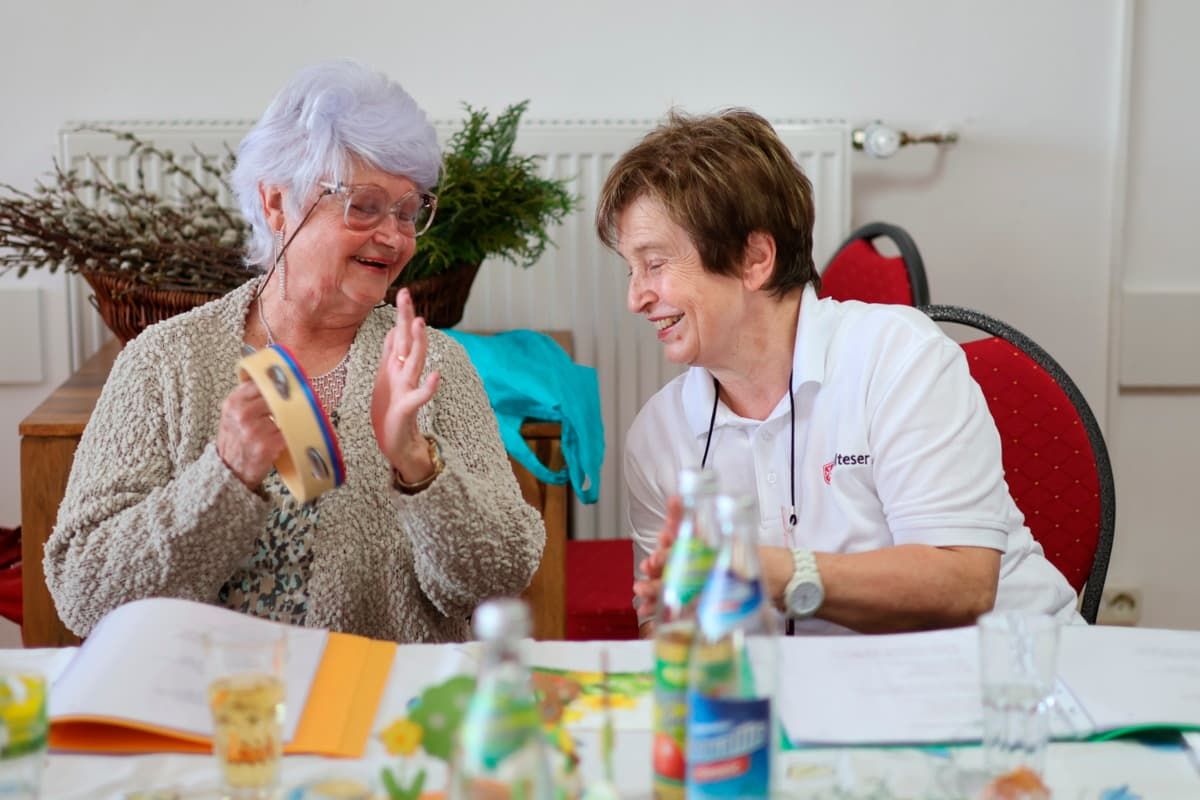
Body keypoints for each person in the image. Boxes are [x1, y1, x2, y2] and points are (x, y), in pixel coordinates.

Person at [44, 60, 546, 642]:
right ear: (277, 202)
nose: (393, 235)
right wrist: (224, 478)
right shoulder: (165, 362)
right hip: (213, 706)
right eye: (364, 205)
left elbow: (503, 573)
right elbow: (83, 592)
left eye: (408, 212)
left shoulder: (434, 366)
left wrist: (418, 465)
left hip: (384, 709)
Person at [595, 109, 1081, 636]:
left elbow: (963, 582)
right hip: (832, 700)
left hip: (1021, 679)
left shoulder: (899, 358)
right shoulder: (657, 436)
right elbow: (665, 631)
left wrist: (771, 572)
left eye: (656, 264)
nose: (635, 298)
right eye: (631, 268)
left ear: (754, 258)